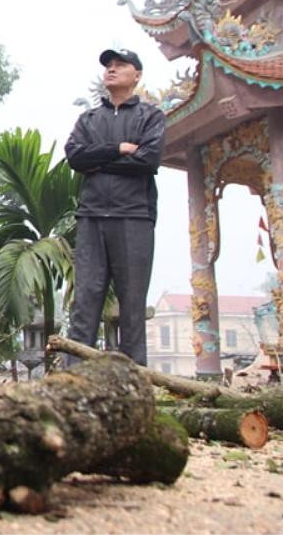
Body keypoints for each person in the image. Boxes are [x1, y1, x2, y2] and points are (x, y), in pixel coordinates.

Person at [64, 48, 166, 366]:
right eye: (108, 65)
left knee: (132, 304)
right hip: (92, 217)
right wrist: (118, 149)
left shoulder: (151, 117)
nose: (111, 69)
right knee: (85, 300)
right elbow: (75, 157)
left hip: (134, 216)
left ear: (136, 74)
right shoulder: (89, 119)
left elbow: (148, 160)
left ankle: (136, 381)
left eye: (120, 65)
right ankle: (73, 379)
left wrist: (99, 162)